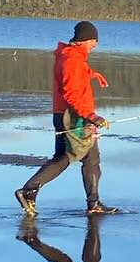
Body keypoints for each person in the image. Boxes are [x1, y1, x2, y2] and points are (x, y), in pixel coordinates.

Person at [14, 20, 120, 216]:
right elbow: (71, 93)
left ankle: (30, 191)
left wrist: (94, 74)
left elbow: (76, 76)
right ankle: (30, 191)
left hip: (66, 115)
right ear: (84, 40)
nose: (95, 45)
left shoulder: (71, 57)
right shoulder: (72, 60)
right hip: (73, 118)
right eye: (94, 41)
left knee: (78, 158)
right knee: (83, 160)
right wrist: (91, 116)